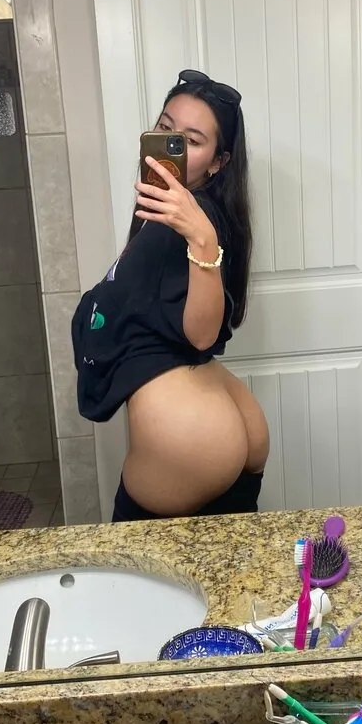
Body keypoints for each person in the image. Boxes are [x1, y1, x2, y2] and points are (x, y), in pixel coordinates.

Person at [71, 69, 269, 522]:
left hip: (192, 444)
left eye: (192, 140)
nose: (171, 144)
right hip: (220, 429)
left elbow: (201, 335)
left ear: (217, 162)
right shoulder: (183, 217)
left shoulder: (196, 223)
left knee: (137, 566)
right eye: (165, 128)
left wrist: (201, 238)